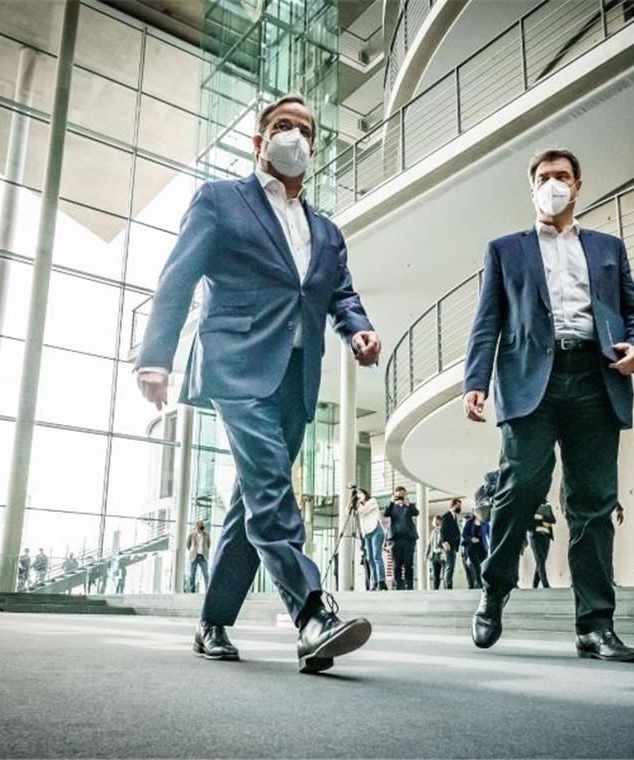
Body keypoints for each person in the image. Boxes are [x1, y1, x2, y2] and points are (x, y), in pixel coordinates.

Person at [134, 94, 380, 673]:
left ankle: (212, 621)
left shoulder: (326, 229)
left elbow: (338, 291)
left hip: (297, 374)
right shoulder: (220, 201)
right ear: (259, 140)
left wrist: (359, 330)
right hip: (237, 364)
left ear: (314, 147)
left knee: (252, 501)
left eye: (304, 129)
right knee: (272, 487)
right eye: (282, 126)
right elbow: (179, 275)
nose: (294, 135)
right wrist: (156, 356)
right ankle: (314, 613)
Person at [462, 148, 634, 663]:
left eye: (562, 176)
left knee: (592, 503)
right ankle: (495, 588)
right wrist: (474, 380)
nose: (553, 184)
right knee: (519, 490)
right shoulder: (506, 249)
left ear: (578, 185)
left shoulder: (608, 247)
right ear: (532, 188)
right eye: (544, 177)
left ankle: (595, 626)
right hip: (531, 384)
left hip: (596, 377)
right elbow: (488, 321)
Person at [382, 486, 419, 590]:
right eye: (398, 495)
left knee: (408, 563)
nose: (401, 497)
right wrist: (391, 501)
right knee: (397, 564)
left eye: (403, 494)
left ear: (406, 495)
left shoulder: (409, 505)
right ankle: (399, 585)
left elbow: (416, 513)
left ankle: (409, 585)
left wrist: (408, 504)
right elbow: (385, 513)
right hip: (395, 539)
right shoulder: (392, 506)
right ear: (395, 495)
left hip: (409, 539)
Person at [355, 489, 387, 591]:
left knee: (377, 556)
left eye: (360, 493)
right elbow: (348, 512)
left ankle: (381, 581)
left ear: (365, 494)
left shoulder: (372, 501)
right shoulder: (358, 506)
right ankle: (375, 582)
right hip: (366, 534)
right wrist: (350, 500)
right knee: (370, 559)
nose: (359, 495)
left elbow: (362, 511)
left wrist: (357, 504)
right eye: (357, 494)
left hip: (376, 530)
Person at [529, 502, 556, 588]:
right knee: (540, 560)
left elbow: (553, 520)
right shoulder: (530, 507)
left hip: (546, 536)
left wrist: (540, 518)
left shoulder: (547, 507)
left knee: (542, 561)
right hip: (535, 536)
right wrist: (542, 522)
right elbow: (529, 521)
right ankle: (546, 585)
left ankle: (534, 584)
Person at [438, 499, 463, 589]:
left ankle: (448, 585)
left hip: (453, 545)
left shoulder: (454, 516)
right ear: (453, 505)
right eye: (458, 505)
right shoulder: (446, 516)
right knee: (450, 566)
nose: (459, 507)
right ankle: (448, 586)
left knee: (451, 566)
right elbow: (442, 530)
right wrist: (444, 542)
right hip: (448, 545)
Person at [461, 513, 489, 590]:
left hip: (483, 548)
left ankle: (480, 583)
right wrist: (471, 539)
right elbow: (464, 534)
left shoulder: (485, 523)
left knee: (482, 567)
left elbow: (490, 534)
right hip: (472, 548)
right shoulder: (469, 522)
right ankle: (480, 585)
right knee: (477, 567)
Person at [186, 520, 211, 593]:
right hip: (194, 556)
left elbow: (208, 545)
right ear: (196, 527)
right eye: (199, 528)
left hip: (203, 557)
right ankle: (191, 591)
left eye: (201, 528)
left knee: (206, 574)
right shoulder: (191, 535)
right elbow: (188, 545)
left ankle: (208, 591)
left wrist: (204, 551)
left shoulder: (207, 535)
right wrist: (193, 551)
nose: (200, 529)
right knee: (192, 574)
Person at [427, 516, 446, 590]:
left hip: (442, 554)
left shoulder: (444, 530)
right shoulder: (433, 532)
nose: (434, 522)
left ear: (440, 521)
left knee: (445, 574)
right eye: (434, 521)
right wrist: (427, 554)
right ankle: (435, 590)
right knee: (436, 575)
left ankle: (446, 589)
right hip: (434, 555)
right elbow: (429, 543)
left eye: (436, 520)